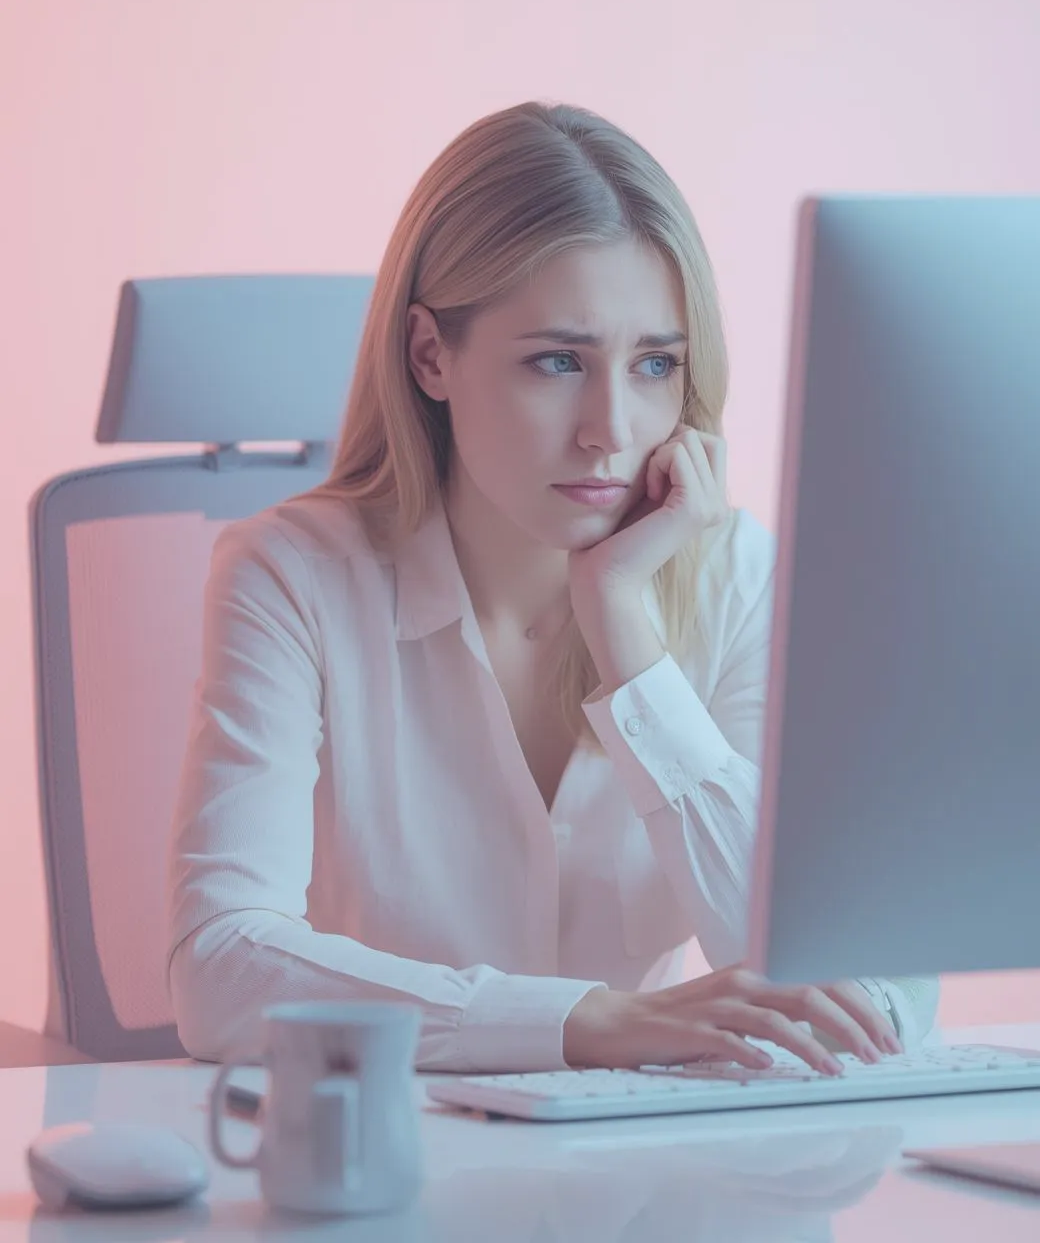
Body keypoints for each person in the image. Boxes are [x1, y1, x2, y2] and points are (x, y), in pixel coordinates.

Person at [165, 100, 939, 1077]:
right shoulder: (292, 578)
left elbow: (848, 998)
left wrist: (627, 636)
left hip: (644, 1191)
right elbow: (219, 965)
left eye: (654, 362)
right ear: (429, 355)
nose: (609, 428)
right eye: (557, 361)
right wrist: (586, 1021)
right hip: (388, 1165)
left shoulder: (735, 578)